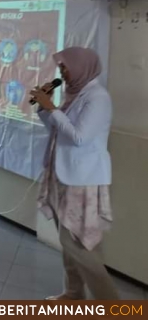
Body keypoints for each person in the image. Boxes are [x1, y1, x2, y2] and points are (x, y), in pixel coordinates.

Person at [30, 47, 119, 301]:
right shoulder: (74, 94)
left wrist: (52, 108)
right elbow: (56, 130)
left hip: (84, 179)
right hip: (63, 175)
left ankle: (113, 307)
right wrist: (44, 108)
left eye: (65, 67)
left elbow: (79, 137)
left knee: (77, 244)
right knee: (69, 244)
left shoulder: (98, 97)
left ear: (81, 66)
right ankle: (73, 293)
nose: (62, 72)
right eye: (60, 68)